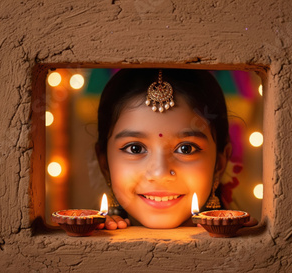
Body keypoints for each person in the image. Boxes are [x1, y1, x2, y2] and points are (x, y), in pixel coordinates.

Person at [95, 68, 256, 229]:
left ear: (219, 164)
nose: (160, 173)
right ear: (105, 164)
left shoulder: (247, 246)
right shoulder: (95, 242)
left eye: (186, 149)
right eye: (135, 149)